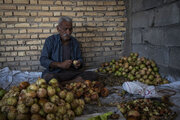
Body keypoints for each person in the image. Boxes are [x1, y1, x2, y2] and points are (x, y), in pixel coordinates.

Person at [40, 16, 98, 85]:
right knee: (48, 77)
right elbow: (43, 60)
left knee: (93, 75)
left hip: (71, 73)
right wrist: (60, 64)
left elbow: (79, 58)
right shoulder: (50, 40)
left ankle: (63, 84)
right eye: (65, 29)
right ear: (58, 29)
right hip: (55, 72)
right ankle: (73, 82)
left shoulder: (74, 42)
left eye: (70, 29)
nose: (68, 32)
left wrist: (79, 63)